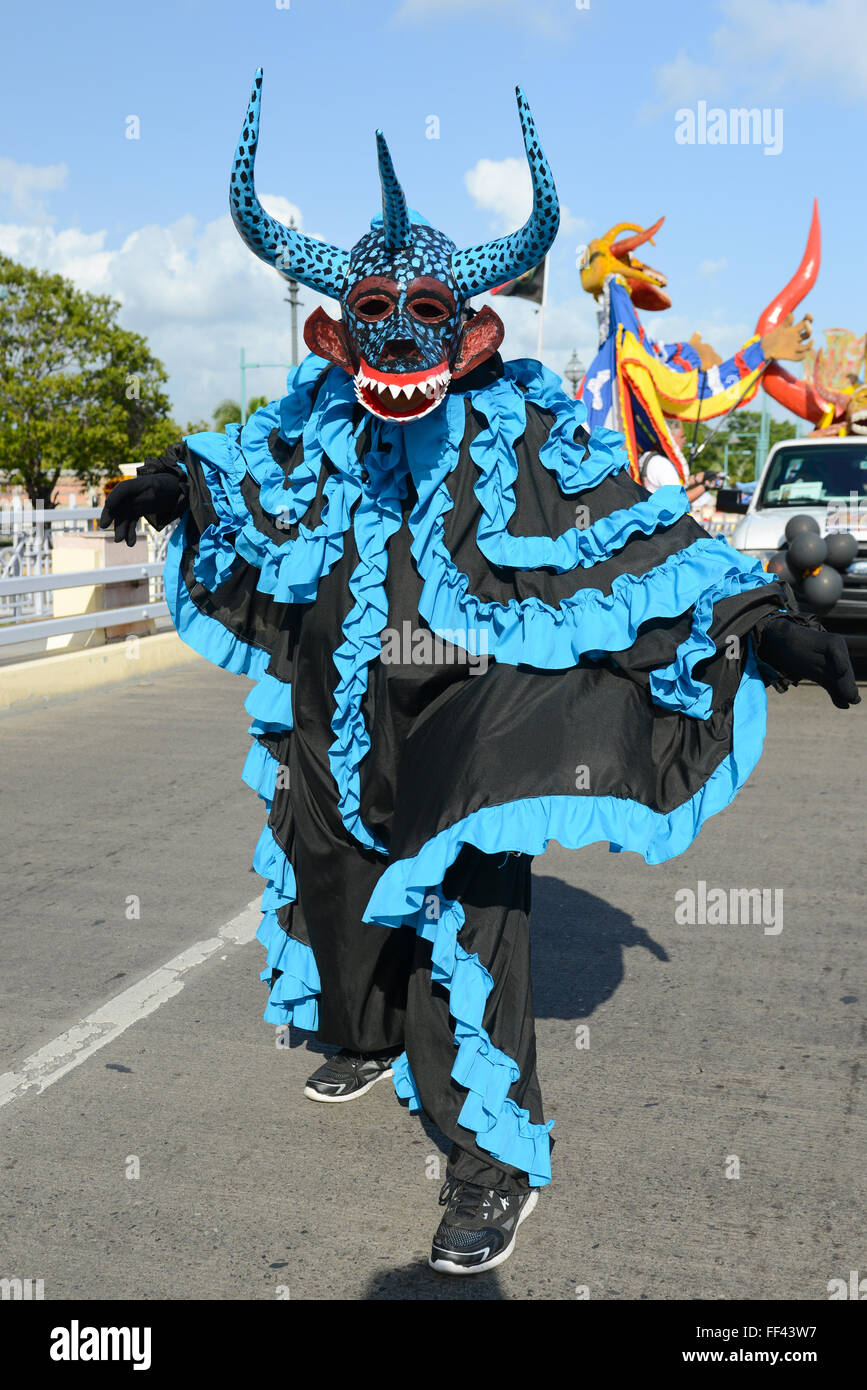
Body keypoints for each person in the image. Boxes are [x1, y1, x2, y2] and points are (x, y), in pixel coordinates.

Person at [100, 71, 859, 1277]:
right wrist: (174, 481)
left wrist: (761, 623)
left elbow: (637, 531)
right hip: (337, 701)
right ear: (333, 332)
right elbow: (251, 457)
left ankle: (487, 1162)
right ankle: (364, 1028)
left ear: (476, 331)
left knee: (466, 915)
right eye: (372, 318)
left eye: (428, 317)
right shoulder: (324, 405)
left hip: (472, 709)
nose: (400, 341)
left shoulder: (528, 421)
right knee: (335, 880)